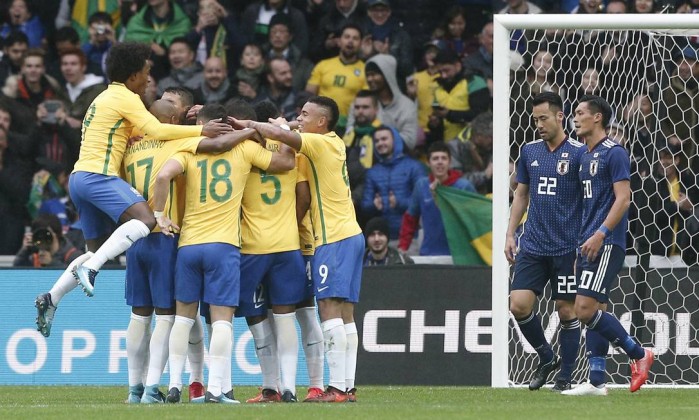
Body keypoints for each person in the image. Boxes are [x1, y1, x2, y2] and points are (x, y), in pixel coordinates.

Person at [42, 41, 231, 307]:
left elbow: (136, 130)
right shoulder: (127, 98)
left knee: (95, 250)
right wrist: (202, 130)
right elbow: (159, 130)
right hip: (99, 176)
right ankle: (91, 269)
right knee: (146, 218)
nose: (149, 78)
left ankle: (53, 296)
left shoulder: (103, 97)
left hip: (79, 178)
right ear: (132, 76)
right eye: (146, 71)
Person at [154, 104, 295, 404]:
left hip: (189, 246)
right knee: (221, 321)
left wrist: (159, 215)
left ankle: (176, 385)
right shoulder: (244, 150)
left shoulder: (188, 149)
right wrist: (273, 131)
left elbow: (163, 176)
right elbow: (285, 163)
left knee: (182, 319)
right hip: (224, 247)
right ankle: (216, 390)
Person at [124, 101, 262, 404]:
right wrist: (251, 128)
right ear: (172, 120)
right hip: (172, 235)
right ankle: (169, 388)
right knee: (171, 317)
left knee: (140, 316)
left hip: (138, 235)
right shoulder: (185, 143)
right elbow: (221, 143)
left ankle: (144, 388)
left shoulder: (130, 148)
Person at [233, 95, 365, 403]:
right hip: (350, 234)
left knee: (329, 308)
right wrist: (283, 124)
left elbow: (282, 134)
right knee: (346, 314)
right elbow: (289, 129)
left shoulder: (317, 144)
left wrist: (251, 124)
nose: (299, 118)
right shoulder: (331, 141)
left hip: (333, 238)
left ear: (321, 122)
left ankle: (334, 388)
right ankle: (346, 386)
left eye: (305, 115)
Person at [562, 95, 654, 396]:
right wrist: (581, 243)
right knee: (597, 308)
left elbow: (624, 199)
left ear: (597, 117)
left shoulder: (614, 152)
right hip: (587, 243)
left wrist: (601, 233)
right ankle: (597, 381)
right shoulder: (584, 156)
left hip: (607, 241)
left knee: (584, 310)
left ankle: (639, 354)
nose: (575, 118)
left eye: (579, 113)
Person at [504, 92, 584, 392]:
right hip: (533, 244)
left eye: (544, 118)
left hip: (567, 248)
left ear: (560, 116)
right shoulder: (529, 152)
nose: (538, 124)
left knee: (567, 312)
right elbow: (521, 194)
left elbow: (589, 202)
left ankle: (565, 376)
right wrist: (511, 233)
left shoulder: (579, 153)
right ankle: (546, 356)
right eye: (535, 119)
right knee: (519, 305)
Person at [398, 141, 475, 256]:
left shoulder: (464, 186)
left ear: (449, 162)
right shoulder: (421, 186)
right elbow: (410, 219)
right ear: (428, 163)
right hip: (429, 253)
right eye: (435, 158)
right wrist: (403, 247)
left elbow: (475, 219)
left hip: (459, 255)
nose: (440, 162)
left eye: (444, 158)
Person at [361, 126, 424, 240]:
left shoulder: (414, 167)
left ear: (395, 140)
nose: (380, 143)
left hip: (411, 237)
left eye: (384, 139)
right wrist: (374, 206)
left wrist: (399, 203)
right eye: (377, 141)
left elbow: (423, 201)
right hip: (383, 239)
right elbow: (365, 206)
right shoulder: (372, 172)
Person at [306, 23, 368, 136]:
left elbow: (367, 102)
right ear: (339, 41)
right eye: (347, 37)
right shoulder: (323, 65)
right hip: (320, 124)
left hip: (349, 127)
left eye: (355, 38)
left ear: (361, 43)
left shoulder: (365, 70)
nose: (350, 41)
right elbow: (309, 94)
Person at [361, 54, 418, 151]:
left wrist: (381, 138)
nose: (370, 79)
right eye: (368, 75)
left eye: (374, 74)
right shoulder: (362, 102)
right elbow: (350, 131)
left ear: (387, 74)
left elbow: (410, 141)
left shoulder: (407, 106)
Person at [14, 213, 84, 268]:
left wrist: (52, 263)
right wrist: (24, 251)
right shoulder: (35, 256)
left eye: (46, 234)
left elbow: (76, 277)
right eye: (39, 234)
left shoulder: (74, 256)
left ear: (56, 234)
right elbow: (17, 272)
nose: (43, 237)